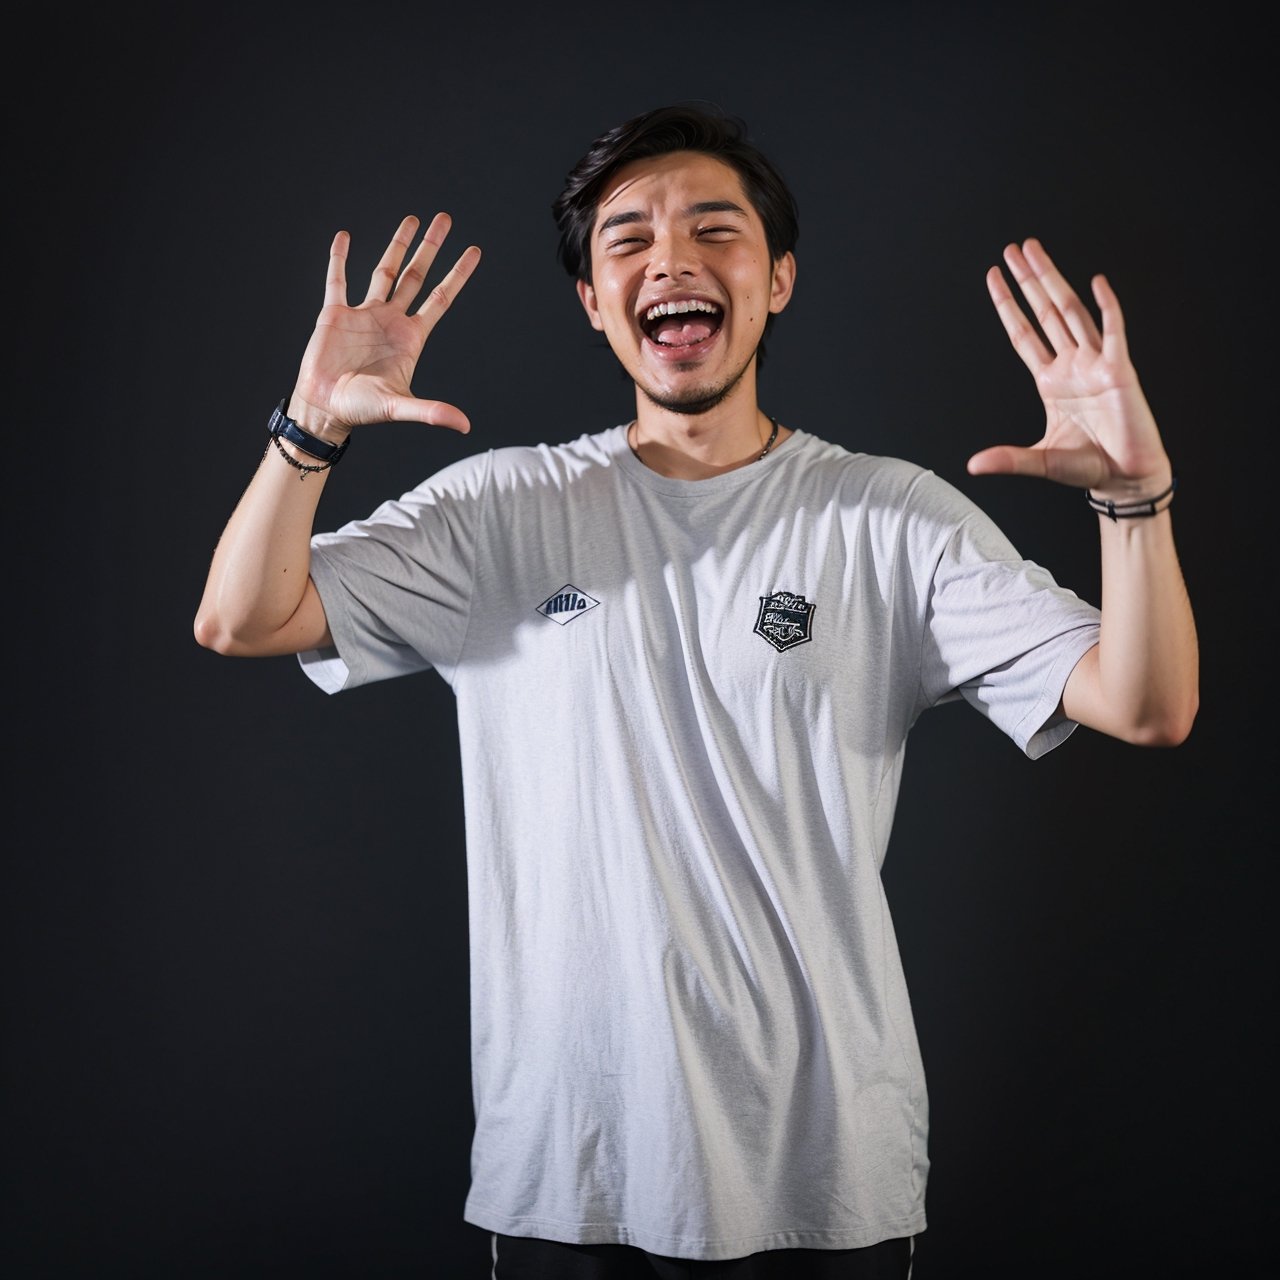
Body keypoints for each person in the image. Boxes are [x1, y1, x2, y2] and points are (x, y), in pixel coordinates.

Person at [194, 103, 1198, 1279]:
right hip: (572, 1169)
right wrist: (308, 431)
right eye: (626, 241)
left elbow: (1146, 701)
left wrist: (1134, 498)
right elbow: (240, 616)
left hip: (827, 1177)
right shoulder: (501, 511)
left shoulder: (886, 516)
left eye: (711, 230)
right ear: (590, 302)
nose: (668, 259)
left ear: (774, 279)